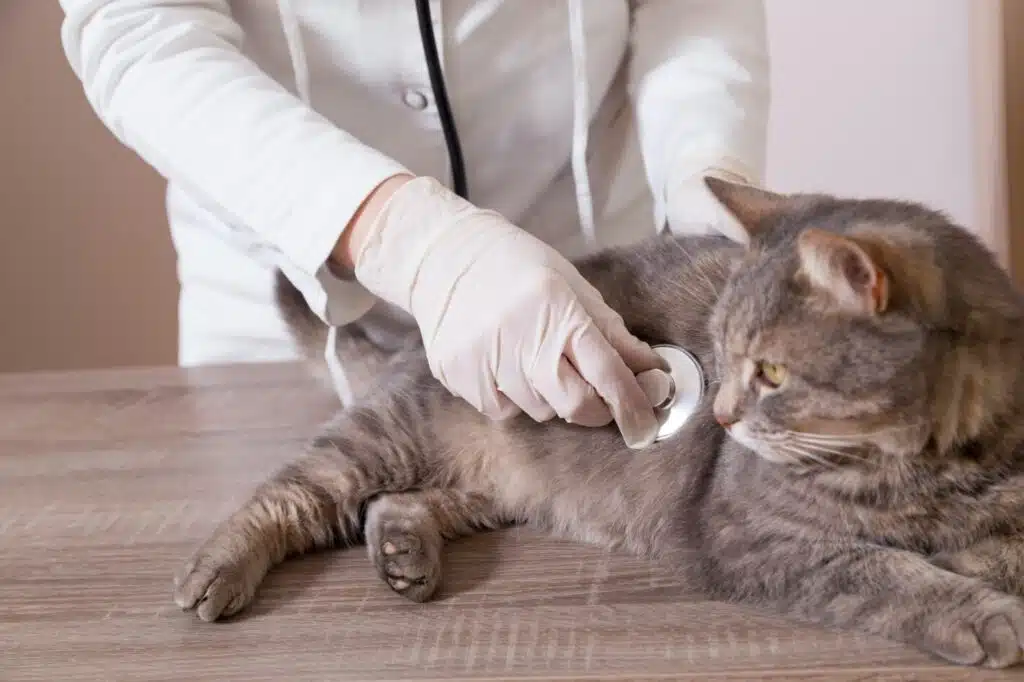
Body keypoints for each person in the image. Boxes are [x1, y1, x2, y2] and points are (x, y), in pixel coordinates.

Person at [58, 1, 770, 449]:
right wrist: (413, 242)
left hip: (600, 296)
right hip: (284, 291)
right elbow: (140, 32)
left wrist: (706, 166)